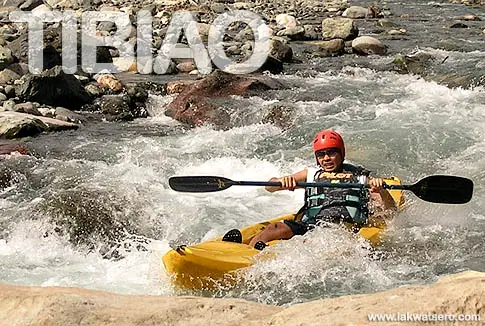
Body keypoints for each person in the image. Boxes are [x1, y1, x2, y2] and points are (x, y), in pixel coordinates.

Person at [244, 129, 398, 250]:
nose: (326, 158)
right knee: (274, 228)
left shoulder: (361, 179)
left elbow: (390, 211)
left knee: (311, 242)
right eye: (321, 154)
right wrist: (281, 181)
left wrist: (382, 191)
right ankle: (248, 253)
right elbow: (269, 187)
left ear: (341, 153)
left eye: (331, 153)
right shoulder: (310, 174)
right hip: (311, 225)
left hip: (344, 228)